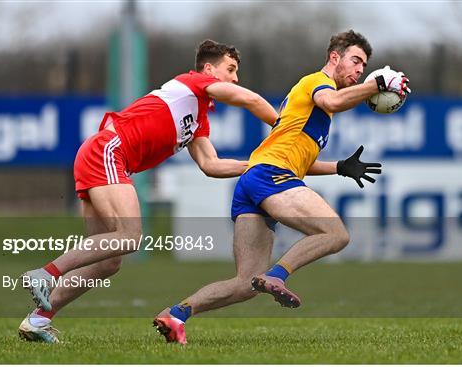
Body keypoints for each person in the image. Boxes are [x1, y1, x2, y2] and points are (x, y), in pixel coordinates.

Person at [154, 30, 411, 344]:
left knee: (245, 283)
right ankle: (277, 275)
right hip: (270, 176)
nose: (360, 71)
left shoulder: (318, 112)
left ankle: (176, 314)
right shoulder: (318, 83)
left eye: (365, 65)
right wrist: (378, 83)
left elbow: (300, 162)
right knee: (335, 233)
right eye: (356, 61)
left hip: (255, 179)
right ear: (334, 57)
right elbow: (332, 100)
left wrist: (340, 168)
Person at [17, 39, 279, 343]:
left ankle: (37, 319)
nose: (235, 77)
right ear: (208, 69)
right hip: (109, 150)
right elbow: (247, 100)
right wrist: (282, 125)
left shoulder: (198, 119)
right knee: (130, 236)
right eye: (230, 69)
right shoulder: (193, 82)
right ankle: (45, 274)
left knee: (107, 261)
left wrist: (257, 164)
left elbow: (211, 164)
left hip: (104, 156)